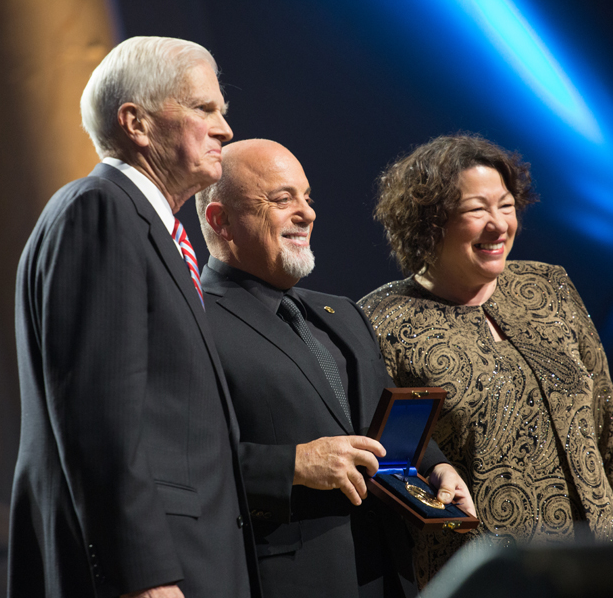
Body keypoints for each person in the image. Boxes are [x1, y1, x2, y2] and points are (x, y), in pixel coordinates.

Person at [9, 37, 260, 598]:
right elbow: (98, 418)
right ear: (136, 123)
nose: (225, 129)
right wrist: (142, 576)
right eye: (205, 109)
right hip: (153, 574)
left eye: (223, 111)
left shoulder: (144, 227)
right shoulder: (98, 210)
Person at [359, 134, 613, 586]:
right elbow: (390, 469)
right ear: (430, 222)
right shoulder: (381, 323)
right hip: (491, 577)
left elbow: (610, 432)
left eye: (506, 205)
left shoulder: (549, 286)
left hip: (606, 565)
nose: (499, 225)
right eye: (477, 210)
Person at [194, 139, 475, 598]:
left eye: (307, 197)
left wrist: (436, 466)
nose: (307, 213)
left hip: (389, 576)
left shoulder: (341, 312)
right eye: (282, 199)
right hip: (288, 581)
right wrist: (294, 465)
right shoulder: (194, 320)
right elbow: (180, 461)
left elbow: (381, 423)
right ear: (221, 220)